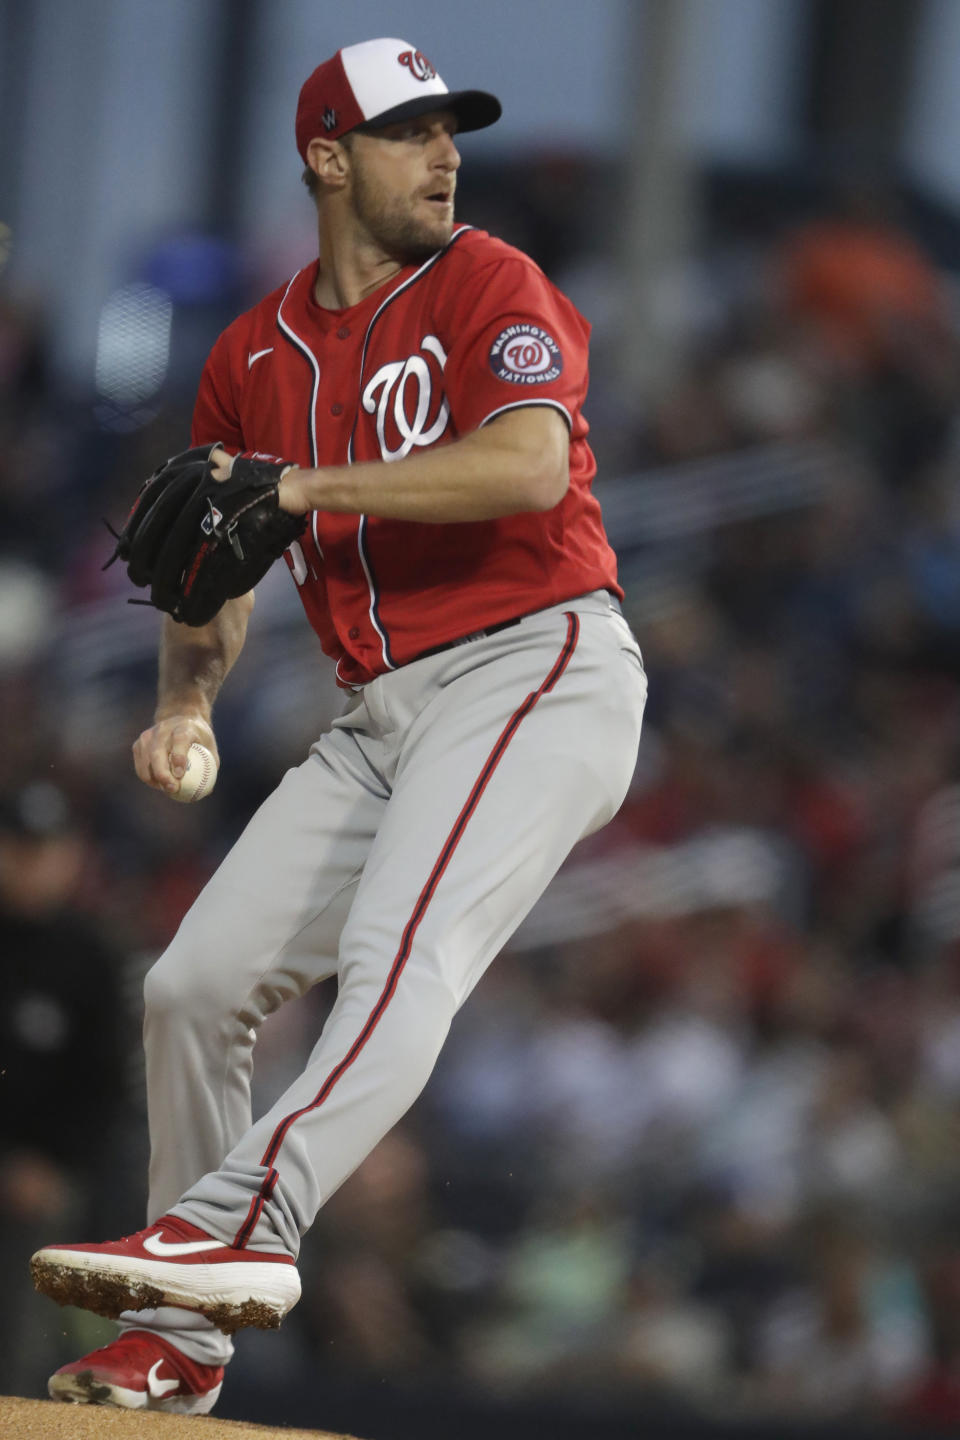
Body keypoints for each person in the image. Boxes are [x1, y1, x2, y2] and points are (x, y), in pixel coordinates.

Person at [31, 37, 646, 1415]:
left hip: (533, 665)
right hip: (379, 718)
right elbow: (213, 565)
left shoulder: (490, 281)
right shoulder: (250, 354)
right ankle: (176, 1350)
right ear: (326, 156)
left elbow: (529, 458)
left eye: (451, 130)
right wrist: (186, 699)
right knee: (191, 988)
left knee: (398, 950)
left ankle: (227, 1227)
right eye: (409, 131)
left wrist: (301, 485)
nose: (445, 155)